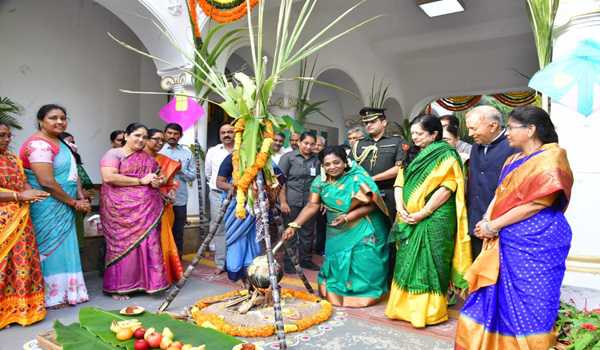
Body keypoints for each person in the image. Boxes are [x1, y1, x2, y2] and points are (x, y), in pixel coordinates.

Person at [456, 106, 574, 349]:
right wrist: (486, 220)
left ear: (530, 130)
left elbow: (538, 203)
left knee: (534, 300)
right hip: (504, 238)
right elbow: (500, 194)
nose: (506, 132)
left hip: (538, 240)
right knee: (493, 297)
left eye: (510, 127)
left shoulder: (551, 157)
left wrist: (494, 225)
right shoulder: (512, 159)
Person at [385, 114, 471, 328]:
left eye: (419, 134)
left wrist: (423, 212)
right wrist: (400, 207)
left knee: (431, 261)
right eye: (412, 133)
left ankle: (428, 312)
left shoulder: (446, 155)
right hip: (407, 217)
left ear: (434, 134)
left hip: (436, 217)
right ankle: (402, 308)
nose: (414, 137)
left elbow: (448, 187)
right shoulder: (412, 153)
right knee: (405, 260)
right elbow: (399, 182)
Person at [282, 146, 390, 307]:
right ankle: (337, 293)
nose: (332, 167)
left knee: (362, 260)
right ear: (322, 166)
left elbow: (372, 205)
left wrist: (348, 217)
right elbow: (312, 205)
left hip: (361, 224)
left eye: (336, 162)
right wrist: (294, 225)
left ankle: (364, 295)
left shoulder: (357, 178)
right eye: (327, 164)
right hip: (336, 228)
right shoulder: (319, 182)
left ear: (345, 162)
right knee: (336, 262)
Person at [19, 104, 90, 308]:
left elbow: (72, 172)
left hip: (65, 204)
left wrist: (79, 195)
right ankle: (50, 296)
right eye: (53, 118)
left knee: (65, 247)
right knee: (50, 248)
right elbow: (47, 182)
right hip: (47, 205)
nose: (60, 121)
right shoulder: (38, 145)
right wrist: (74, 202)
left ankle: (68, 293)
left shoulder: (60, 142)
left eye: (63, 117)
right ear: (41, 121)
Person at [100, 122, 168, 298]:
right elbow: (109, 177)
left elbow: (154, 178)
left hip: (147, 210)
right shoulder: (114, 154)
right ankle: (120, 287)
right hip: (120, 211)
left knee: (149, 242)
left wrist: (156, 182)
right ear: (126, 136)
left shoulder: (147, 158)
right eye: (137, 135)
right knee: (123, 246)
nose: (141, 139)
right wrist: (140, 181)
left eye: (144, 137)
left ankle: (148, 284)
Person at [0, 121, 49, 328]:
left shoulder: (13, 158)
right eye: (2, 135)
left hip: (21, 218)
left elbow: (23, 182)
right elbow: (19, 191)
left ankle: (20, 311)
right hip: (4, 220)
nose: (7, 139)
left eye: (8, 135)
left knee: (21, 262)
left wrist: (31, 193)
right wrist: (20, 195)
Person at [465, 106, 516, 258]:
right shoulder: (475, 147)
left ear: (493, 126)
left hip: (500, 222)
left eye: (473, 128)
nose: (469, 134)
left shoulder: (513, 148)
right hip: (475, 222)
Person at [144, 128, 184, 284]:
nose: (160, 143)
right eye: (156, 139)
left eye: (162, 140)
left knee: (163, 240)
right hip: (141, 207)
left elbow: (171, 183)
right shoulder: (137, 159)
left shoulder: (167, 161)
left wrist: (171, 193)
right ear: (147, 140)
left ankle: (163, 276)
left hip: (163, 207)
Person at [352, 107, 408, 215]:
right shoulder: (359, 144)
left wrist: (372, 179)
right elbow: (350, 167)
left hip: (388, 194)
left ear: (384, 122)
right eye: (366, 123)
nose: (368, 125)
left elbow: (400, 169)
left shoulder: (397, 142)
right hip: (363, 193)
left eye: (373, 122)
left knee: (388, 227)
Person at [279, 132, 321, 272]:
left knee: (308, 233)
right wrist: (283, 202)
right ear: (299, 143)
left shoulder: (317, 160)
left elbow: (322, 182)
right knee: (290, 233)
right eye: (306, 143)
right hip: (291, 202)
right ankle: (289, 263)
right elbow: (279, 183)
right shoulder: (288, 158)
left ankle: (305, 260)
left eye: (312, 144)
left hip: (310, 203)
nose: (308, 147)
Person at [159, 123, 197, 256]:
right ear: (165, 134)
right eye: (169, 133)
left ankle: (177, 261)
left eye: (175, 134)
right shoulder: (158, 151)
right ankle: (162, 261)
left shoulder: (187, 153)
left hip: (179, 199)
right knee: (161, 230)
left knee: (178, 230)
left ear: (180, 136)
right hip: (160, 198)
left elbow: (192, 176)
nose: (172, 136)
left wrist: (180, 170)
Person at [205, 123, 234, 272]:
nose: (226, 135)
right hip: (217, 194)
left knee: (236, 227)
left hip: (238, 197)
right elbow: (209, 173)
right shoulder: (213, 151)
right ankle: (221, 263)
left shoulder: (241, 150)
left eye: (230, 132)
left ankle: (235, 262)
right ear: (220, 135)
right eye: (223, 132)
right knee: (219, 228)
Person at [312, 135, 327, 255]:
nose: (316, 147)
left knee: (321, 225)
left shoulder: (326, 161)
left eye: (319, 145)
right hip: (305, 197)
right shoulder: (308, 158)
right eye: (315, 144)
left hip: (321, 198)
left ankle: (319, 248)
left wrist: (323, 199)